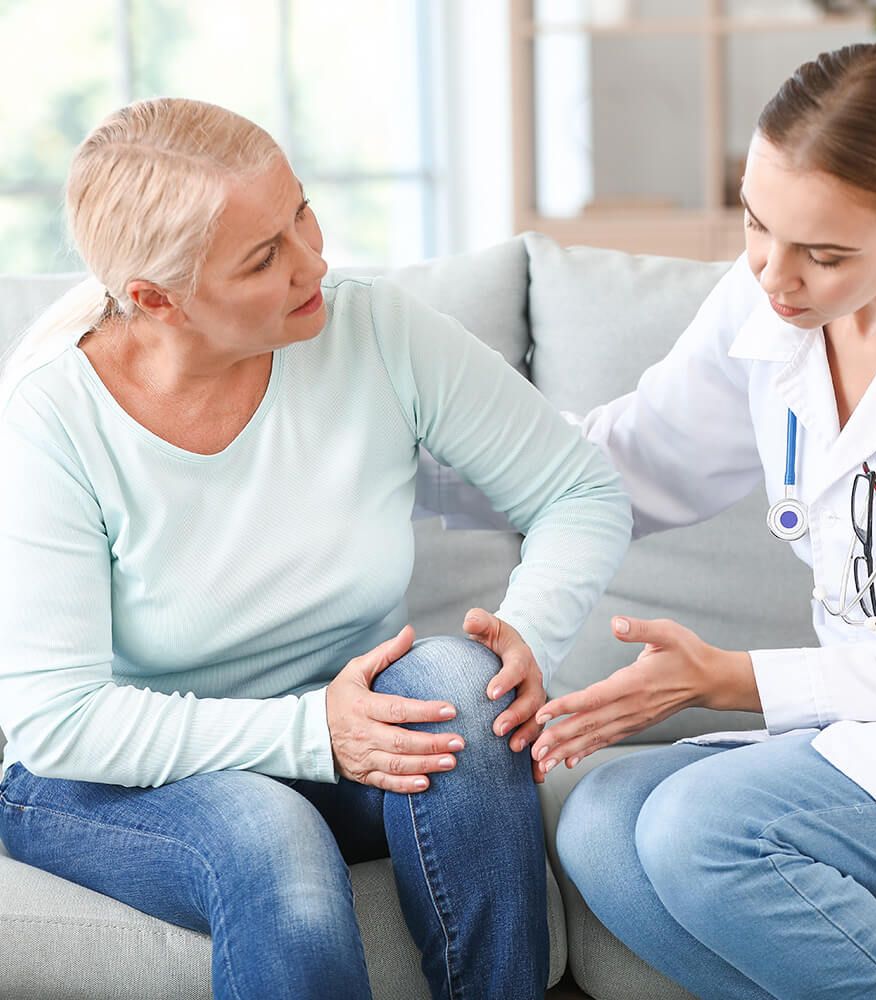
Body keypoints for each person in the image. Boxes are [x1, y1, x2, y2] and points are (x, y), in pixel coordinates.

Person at [0, 98, 633, 1000]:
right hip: (102, 774)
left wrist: (529, 629)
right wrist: (312, 733)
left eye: (299, 211)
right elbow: (61, 722)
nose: (315, 262)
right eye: (264, 258)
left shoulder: (373, 330)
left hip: (349, 739)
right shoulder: (52, 421)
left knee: (462, 686)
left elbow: (579, 489)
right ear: (154, 300)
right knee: (266, 830)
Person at [534, 43, 876, 999]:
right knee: (598, 822)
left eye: (824, 255)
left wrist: (731, 680)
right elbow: (638, 460)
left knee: (698, 830)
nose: (773, 277)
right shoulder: (768, 298)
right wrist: (403, 455)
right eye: (756, 223)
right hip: (875, 717)